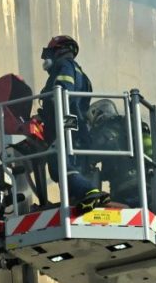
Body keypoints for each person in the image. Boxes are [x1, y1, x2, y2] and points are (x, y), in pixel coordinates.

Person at [37, 35, 109, 211]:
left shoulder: (65, 66)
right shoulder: (81, 73)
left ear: (58, 50)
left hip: (66, 126)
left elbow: (61, 93)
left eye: (50, 53)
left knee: (57, 164)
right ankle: (82, 198)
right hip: (77, 128)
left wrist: (48, 112)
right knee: (72, 165)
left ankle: (88, 191)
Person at [86, 98, 153, 207]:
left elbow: (90, 157)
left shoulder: (105, 131)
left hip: (123, 188)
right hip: (145, 184)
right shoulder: (127, 124)